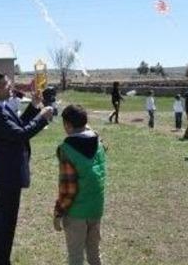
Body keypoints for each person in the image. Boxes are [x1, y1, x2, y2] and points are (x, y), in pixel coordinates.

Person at [0, 71, 54, 265]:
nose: (10, 87)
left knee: (5, 221)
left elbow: (17, 126)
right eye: (6, 85)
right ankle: (0, 261)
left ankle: (0, 260)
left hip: (8, 172)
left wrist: (34, 106)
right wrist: (42, 117)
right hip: (7, 174)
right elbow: (20, 134)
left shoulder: (0, 105)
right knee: (4, 222)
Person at [53, 105, 107, 265]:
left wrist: (58, 212)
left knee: (75, 257)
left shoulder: (66, 150)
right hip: (96, 208)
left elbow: (68, 189)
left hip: (76, 212)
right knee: (94, 254)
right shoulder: (99, 143)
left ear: (67, 125)